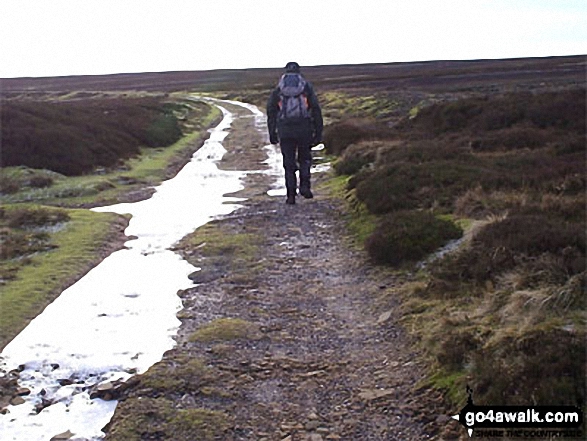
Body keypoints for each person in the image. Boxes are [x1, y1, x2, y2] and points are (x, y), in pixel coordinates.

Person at [267, 62, 323, 205]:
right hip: (304, 128)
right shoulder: (306, 87)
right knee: (305, 159)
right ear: (299, 72)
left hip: (285, 130)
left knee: (288, 163)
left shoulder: (279, 89)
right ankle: (305, 187)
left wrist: (272, 132)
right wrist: (318, 132)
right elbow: (315, 109)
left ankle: (290, 196)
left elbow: (271, 111)